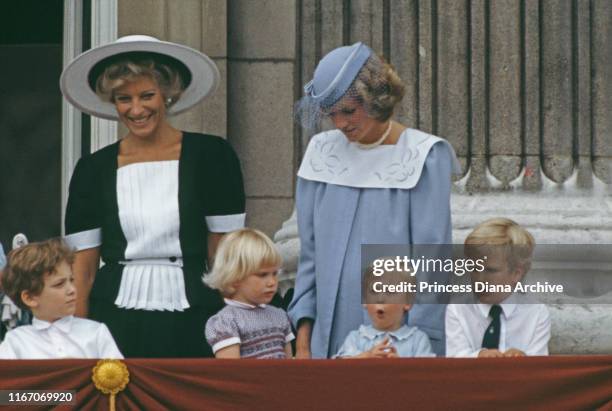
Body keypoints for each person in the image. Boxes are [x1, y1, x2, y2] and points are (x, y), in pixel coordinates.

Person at [60, 35, 245, 357]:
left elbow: (224, 251)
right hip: (113, 316)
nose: (136, 109)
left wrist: (235, 321)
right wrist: (76, 337)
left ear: (168, 96)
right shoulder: (92, 169)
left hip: (196, 312)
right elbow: (83, 266)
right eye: (123, 98)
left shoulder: (212, 156)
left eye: (147, 96)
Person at [289, 42, 459, 358]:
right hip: (328, 341)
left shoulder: (423, 156)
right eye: (331, 113)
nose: (340, 124)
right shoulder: (320, 154)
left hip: (399, 344)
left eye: (349, 111)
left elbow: (432, 262)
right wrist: (303, 341)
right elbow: (309, 260)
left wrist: (420, 350)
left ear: (376, 98)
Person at [445, 218, 551, 357]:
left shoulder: (536, 314)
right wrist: (478, 356)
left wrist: (525, 360)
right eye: (474, 268)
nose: (480, 279)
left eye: (491, 270)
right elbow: (454, 357)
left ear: (516, 274)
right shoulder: (458, 310)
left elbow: (540, 365)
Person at [0, 239, 122, 359]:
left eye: (71, 280)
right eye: (59, 284)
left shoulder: (96, 333)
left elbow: (119, 375)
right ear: (30, 298)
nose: (72, 289)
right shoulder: (16, 342)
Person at [204, 228, 294, 359]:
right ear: (235, 278)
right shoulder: (227, 322)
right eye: (263, 275)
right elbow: (231, 373)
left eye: (275, 273)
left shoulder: (280, 316)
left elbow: (290, 364)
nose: (272, 282)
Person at [335, 264, 434, 358]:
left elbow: (427, 372)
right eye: (374, 291)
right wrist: (367, 356)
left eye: (390, 291)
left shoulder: (418, 340)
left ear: (407, 303)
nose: (380, 298)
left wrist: (401, 366)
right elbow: (338, 368)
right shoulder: (355, 338)